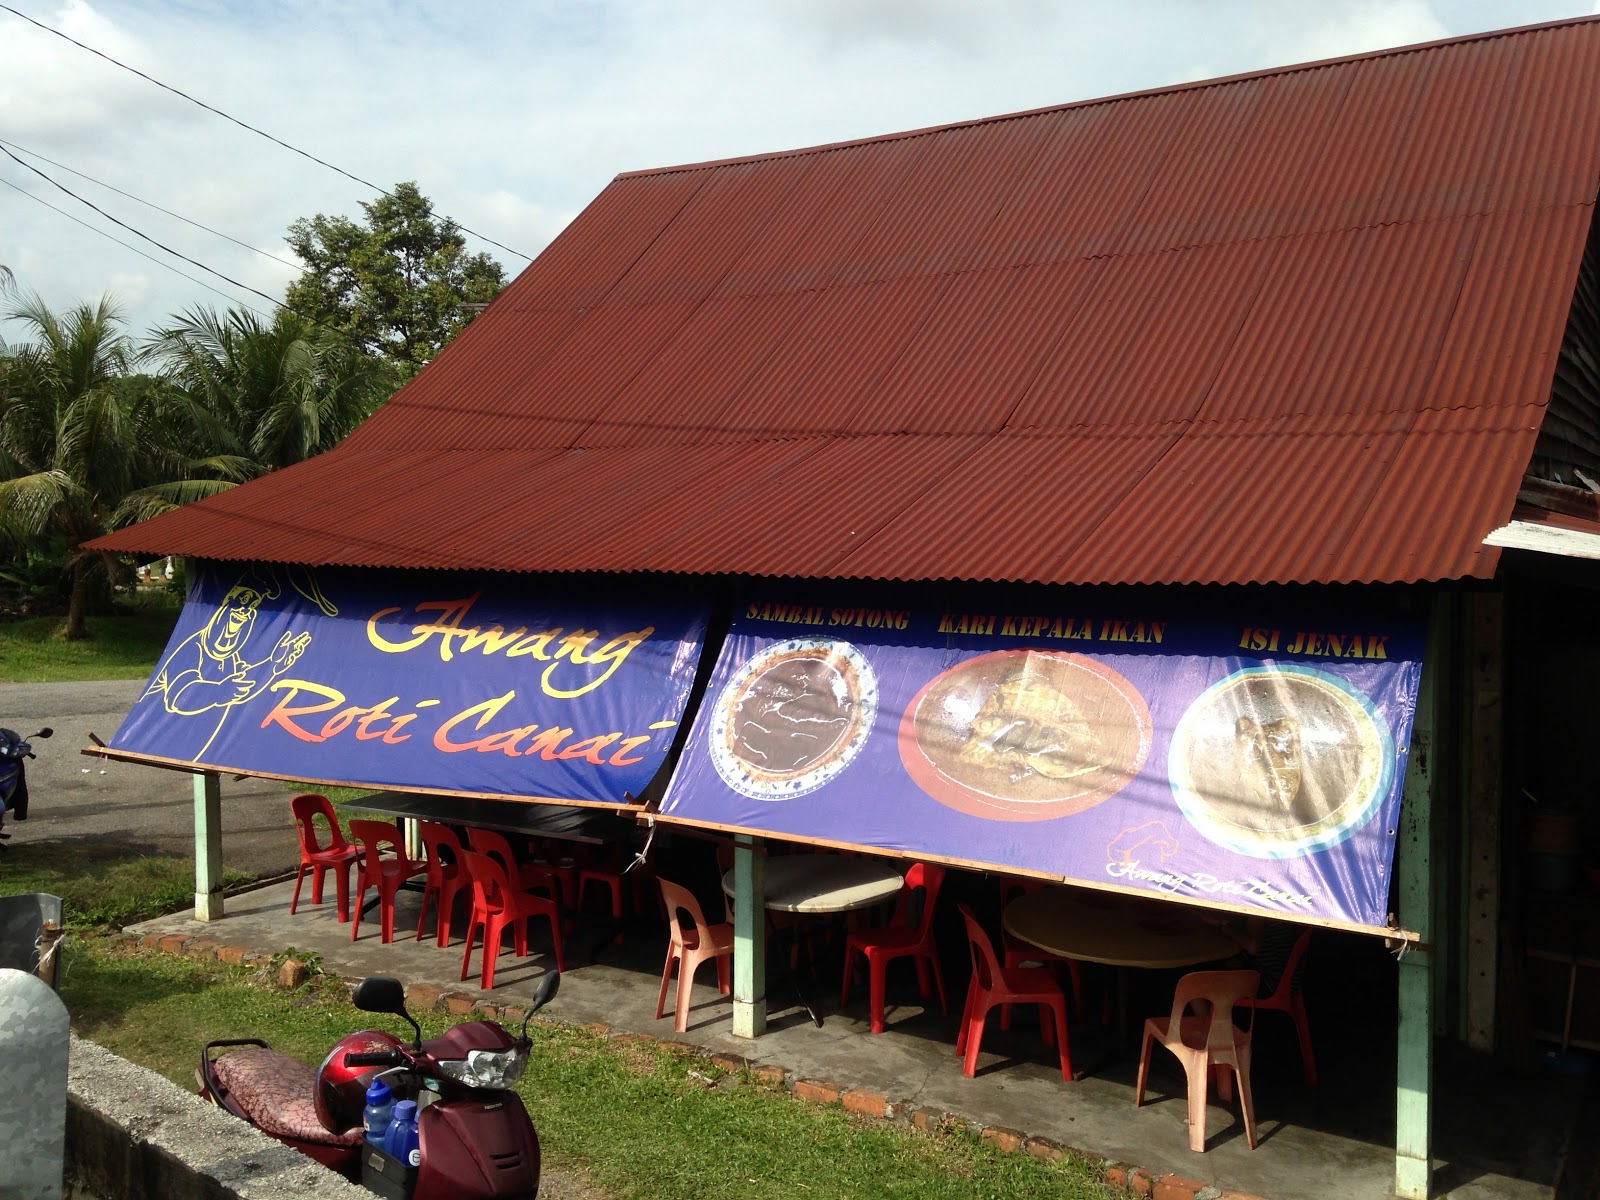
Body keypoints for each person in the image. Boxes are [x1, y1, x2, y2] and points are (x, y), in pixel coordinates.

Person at [1203, 912, 1301, 998]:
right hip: (1290, 980)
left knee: (1203, 971)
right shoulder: (1274, 908)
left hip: (1272, 984)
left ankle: (1206, 1016)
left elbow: (1253, 948)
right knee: (1222, 965)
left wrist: (1222, 925)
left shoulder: (1257, 912)